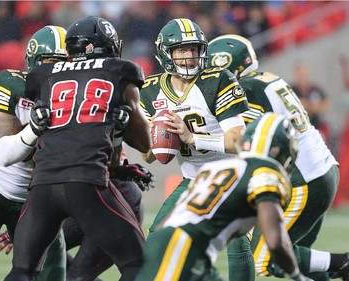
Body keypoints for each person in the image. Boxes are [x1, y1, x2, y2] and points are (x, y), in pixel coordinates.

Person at [3, 16, 151, 281]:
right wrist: (120, 127)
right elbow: (144, 144)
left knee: (22, 270)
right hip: (88, 182)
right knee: (139, 265)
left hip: (42, 187)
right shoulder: (121, 71)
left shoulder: (43, 76)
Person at [208, 34, 346, 281]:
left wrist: (193, 138)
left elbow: (240, 142)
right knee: (302, 263)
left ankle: (344, 261)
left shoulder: (246, 91)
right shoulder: (267, 79)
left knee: (268, 258)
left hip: (305, 180)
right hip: (322, 171)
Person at [136, 113, 312, 281]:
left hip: (173, 242)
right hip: (183, 249)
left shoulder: (218, 167)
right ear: (277, 149)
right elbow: (275, 241)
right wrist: (296, 275)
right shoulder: (264, 172)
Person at [140, 17, 250, 281]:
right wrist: (158, 136)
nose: (189, 56)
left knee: (236, 241)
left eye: (194, 49)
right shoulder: (150, 90)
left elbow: (238, 141)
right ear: (166, 53)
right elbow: (150, 156)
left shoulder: (218, 79)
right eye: (181, 50)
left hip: (231, 175)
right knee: (157, 241)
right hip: (193, 179)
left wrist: (191, 138)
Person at [0, 25, 68, 280]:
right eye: (51, 63)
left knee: (53, 276)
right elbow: (4, 151)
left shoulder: (78, 100)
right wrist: (35, 129)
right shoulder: (9, 83)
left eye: (64, 64)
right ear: (35, 62)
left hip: (37, 198)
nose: (57, 71)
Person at [290, 62, 332, 143]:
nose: (303, 77)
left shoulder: (315, 89)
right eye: (300, 75)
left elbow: (327, 104)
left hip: (316, 126)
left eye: (304, 74)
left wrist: (309, 107)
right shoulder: (292, 91)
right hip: (299, 131)